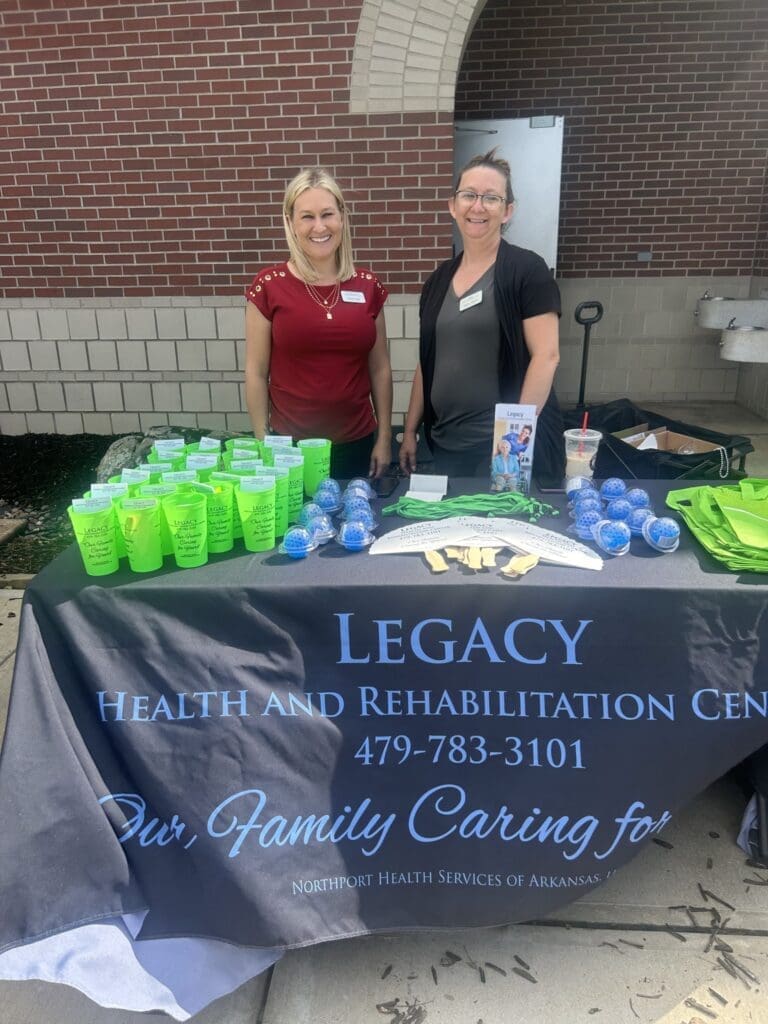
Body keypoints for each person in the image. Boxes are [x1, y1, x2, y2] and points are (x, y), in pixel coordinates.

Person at [399, 149, 565, 482]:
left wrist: (513, 444)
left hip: (501, 449)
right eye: (469, 195)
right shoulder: (437, 281)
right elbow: (426, 363)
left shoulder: (526, 271)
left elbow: (546, 357)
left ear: (507, 210)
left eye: (491, 198)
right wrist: (410, 430)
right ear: (453, 205)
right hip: (446, 444)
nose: (478, 206)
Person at [245, 167, 393, 479]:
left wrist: (383, 438)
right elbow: (256, 371)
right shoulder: (269, 285)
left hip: (358, 444)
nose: (319, 227)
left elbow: (380, 368)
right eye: (307, 217)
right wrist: (262, 440)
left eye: (327, 214)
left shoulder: (367, 285)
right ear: (290, 223)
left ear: (342, 218)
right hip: (291, 449)